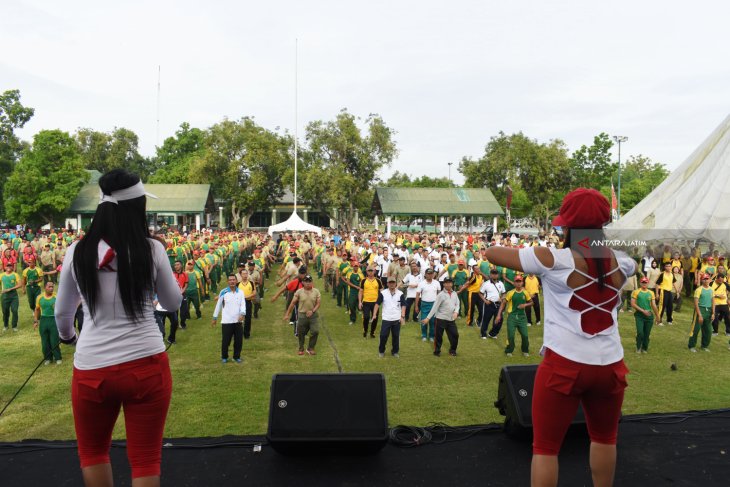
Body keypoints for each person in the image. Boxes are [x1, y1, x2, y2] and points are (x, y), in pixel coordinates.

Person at [485, 188, 635, 487]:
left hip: (564, 366)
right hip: (610, 365)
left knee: (546, 449)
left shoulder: (551, 258)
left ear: (568, 226)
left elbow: (492, 253)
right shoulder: (624, 262)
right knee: (605, 439)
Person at [54, 169, 182, 487]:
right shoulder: (153, 249)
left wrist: (67, 337)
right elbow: (173, 302)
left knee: (94, 451)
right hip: (146, 363)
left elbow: (63, 312)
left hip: (92, 367)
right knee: (146, 458)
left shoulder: (76, 251)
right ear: (136, 206)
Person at [212, 274, 247, 363]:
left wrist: (242, 314)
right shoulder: (223, 292)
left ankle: (236, 357)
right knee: (226, 341)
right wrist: (214, 317)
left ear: (236, 281)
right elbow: (218, 305)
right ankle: (224, 357)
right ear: (228, 282)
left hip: (238, 321)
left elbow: (243, 304)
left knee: (238, 341)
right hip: (226, 321)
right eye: (230, 280)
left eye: (233, 280)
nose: (232, 281)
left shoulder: (241, 292)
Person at [422, 277, 460, 356]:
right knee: (439, 337)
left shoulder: (454, 293)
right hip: (440, 319)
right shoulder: (441, 295)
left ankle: (452, 351)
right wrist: (428, 318)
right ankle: (437, 351)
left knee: (455, 335)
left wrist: (456, 312)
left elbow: (457, 304)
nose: (448, 284)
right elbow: (434, 307)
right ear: (443, 284)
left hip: (451, 319)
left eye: (450, 282)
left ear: (452, 284)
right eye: (446, 282)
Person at [284, 274, 321, 355]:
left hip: (313, 315)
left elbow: (318, 304)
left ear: (312, 282)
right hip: (302, 315)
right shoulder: (299, 292)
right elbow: (293, 303)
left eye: (309, 281)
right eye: (306, 281)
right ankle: (301, 348)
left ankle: (310, 348)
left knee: (315, 331)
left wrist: (312, 311)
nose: (308, 283)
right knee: (301, 332)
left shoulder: (316, 291)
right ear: (303, 282)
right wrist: (287, 314)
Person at [496, 275, 532, 357]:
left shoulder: (525, 292)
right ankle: (509, 350)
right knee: (511, 335)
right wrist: (498, 315)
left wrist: (525, 305)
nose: (518, 283)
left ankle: (525, 350)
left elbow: (531, 302)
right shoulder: (510, 293)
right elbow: (503, 303)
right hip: (512, 317)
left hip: (522, 317)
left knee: (525, 335)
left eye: (520, 282)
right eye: (517, 282)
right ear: (514, 283)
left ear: (522, 283)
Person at [373, 276, 406, 358]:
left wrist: (402, 316)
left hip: (396, 319)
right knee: (383, 335)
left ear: (395, 284)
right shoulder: (383, 293)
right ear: (387, 284)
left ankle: (395, 351)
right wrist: (374, 314)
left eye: (393, 282)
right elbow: (377, 304)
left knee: (396, 336)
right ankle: (381, 351)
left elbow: (403, 305)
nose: (392, 284)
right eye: (390, 283)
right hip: (386, 318)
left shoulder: (400, 294)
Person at [34, 280, 62, 365]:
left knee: (54, 340)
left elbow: (61, 310)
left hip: (53, 320)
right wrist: (35, 321)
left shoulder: (57, 297)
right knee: (45, 341)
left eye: (52, 286)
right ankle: (48, 358)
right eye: (49, 286)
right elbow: (37, 309)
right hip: (43, 320)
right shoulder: (39, 297)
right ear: (45, 287)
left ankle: (58, 357)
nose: (51, 288)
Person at [630, 277, 659, 353]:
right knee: (640, 332)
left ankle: (644, 348)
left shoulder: (651, 293)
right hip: (639, 315)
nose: (644, 284)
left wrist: (658, 316)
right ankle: (638, 347)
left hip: (649, 316)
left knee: (647, 333)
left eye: (645, 282)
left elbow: (654, 305)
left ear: (648, 283)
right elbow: (632, 304)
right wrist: (643, 311)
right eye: (642, 282)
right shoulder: (636, 292)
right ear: (640, 283)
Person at [689, 273, 714, 352]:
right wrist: (699, 315)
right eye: (704, 279)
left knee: (708, 330)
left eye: (707, 279)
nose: (706, 280)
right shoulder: (699, 290)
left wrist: (713, 313)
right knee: (696, 329)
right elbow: (696, 303)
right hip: (700, 310)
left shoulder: (711, 289)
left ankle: (704, 345)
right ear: (702, 280)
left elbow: (713, 301)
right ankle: (692, 346)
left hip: (709, 310)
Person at [415, 268, 440, 342]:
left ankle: (432, 336)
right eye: (428, 274)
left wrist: (439, 305)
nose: (430, 275)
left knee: (432, 321)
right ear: (425, 274)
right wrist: (416, 305)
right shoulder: (421, 283)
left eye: (431, 274)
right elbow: (417, 294)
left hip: (434, 304)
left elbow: (439, 294)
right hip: (424, 304)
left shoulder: (436, 283)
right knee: (424, 320)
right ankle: (424, 335)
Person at [480, 269, 505, 339]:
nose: (494, 275)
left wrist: (502, 298)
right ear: (490, 275)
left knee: (499, 319)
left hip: (498, 304)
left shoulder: (501, 283)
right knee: (486, 319)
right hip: (489, 304)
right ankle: (483, 334)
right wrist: (485, 301)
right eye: (493, 273)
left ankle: (493, 333)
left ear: (498, 275)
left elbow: (504, 293)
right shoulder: (486, 283)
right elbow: (480, 293)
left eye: (496, 273)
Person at [359, 266, 383, 338]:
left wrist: (382, 300)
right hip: (366, 302)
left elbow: (382, 291)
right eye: (369, 271)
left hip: (375, 303)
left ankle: (372, 332)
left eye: (371, 271)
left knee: (374, 318)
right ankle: (365, 330)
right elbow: (360, 291)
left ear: (374, 271)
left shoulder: (378, 281)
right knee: (366, 317)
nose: (370, 272)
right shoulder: (363, 281)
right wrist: (360, 302)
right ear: (366, 272)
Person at [1, 261, 22, 332]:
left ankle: (14, 326)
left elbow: (20, 284)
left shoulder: (15, 275)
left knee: (14, 310)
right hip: (4, 296)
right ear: (5, 267)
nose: (9, 267)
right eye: (7, 266)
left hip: (13, 296)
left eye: (10, 266)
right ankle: (6, 325)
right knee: (5, 312)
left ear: (12, 267)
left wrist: (10, 289)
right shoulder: (2, 275)